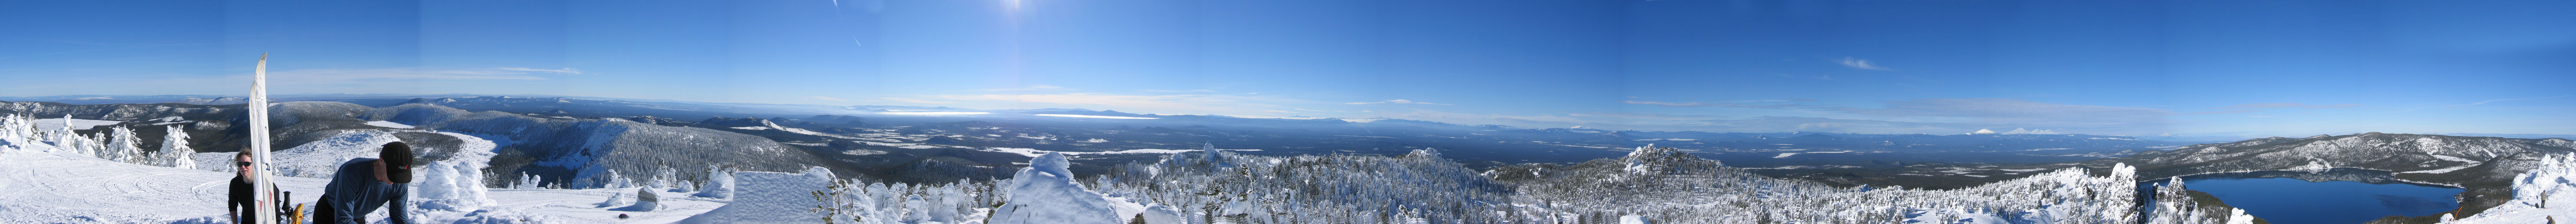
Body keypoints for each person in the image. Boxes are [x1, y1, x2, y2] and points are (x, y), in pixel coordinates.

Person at [313, 141, 414, 224]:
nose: (396, 180)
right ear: (381, 161)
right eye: (393, 173)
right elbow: (343, 220)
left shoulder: (400, 183)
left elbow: (400, 220)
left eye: (401, 175)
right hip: (329, 214)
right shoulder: (352, 173)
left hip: (357, 217)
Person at [229, 152, 279, 224]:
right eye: (240, 164)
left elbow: (275, 211)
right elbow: (232, 205)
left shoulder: (266, 184)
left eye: (247, 164)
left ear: (254, 164)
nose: (243, 167)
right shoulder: (236, 183)